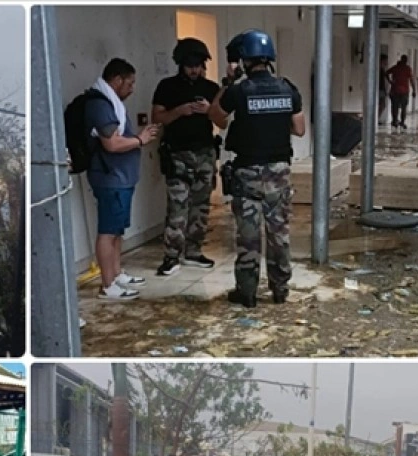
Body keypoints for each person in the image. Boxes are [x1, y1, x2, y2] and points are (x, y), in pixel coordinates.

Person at [210, 29, 306, 308]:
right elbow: (299, 129)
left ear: (244, 61)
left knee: (249, 237)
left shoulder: (239, 91)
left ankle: (248, 293)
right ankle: (280, 290)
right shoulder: (288, 89)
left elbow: (216, 117)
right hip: (278, 174)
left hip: (247, 174)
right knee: (279, 234)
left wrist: (227, 81)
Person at [85, 58, 161, 301]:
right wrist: (141, 139)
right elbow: (112, 143)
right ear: (116, 80)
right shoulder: (100, 104)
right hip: (110, 177)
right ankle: (108, 285)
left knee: (117, 229)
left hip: (121, 177)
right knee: (107, 231)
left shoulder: (112, 102)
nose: (132, 88)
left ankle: (116, 274)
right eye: (130, 83)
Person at [151, 38, 221, 277]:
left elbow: (223, 120)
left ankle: (194, 251)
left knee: (200, 206)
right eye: (190, 64)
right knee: (177, 206)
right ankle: (171, 256)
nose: (194, 69)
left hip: (204, 153)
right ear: (180, 63)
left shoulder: (211, 88)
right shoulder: (167, 87)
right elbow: (157, 118)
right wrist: (179, 111)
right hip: (178, 153)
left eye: (198, 64)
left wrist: (208, 110)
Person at [385, 55, 417, 129]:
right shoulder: (407, 69)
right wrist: (414, 90)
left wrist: (390, 81)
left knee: (395, 107)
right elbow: (411, 80)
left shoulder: (396, 68)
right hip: (403, 91)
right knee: (403, 107)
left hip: (395, 90)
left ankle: (395, 121)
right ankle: (401, 122)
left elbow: (386, 73)